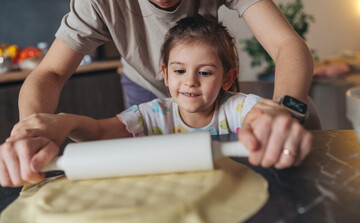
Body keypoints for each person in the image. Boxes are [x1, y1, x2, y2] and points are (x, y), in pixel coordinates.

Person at [0, 15, 313, 187]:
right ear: (165, 74)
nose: (190, 81)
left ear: (227, 79)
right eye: (180, 71)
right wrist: (59, 123)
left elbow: (263, 111)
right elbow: (98, 132)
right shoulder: (151, 116)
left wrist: (278, 115)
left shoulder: (236, 107)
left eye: (204, 72)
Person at [17, 0, 314, 119]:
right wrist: (32, 128)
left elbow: (287, 45)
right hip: (142, 90)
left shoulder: (234, 107)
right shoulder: (96, 2)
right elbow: (50, 73)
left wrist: (286, 113)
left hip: (213, 101)